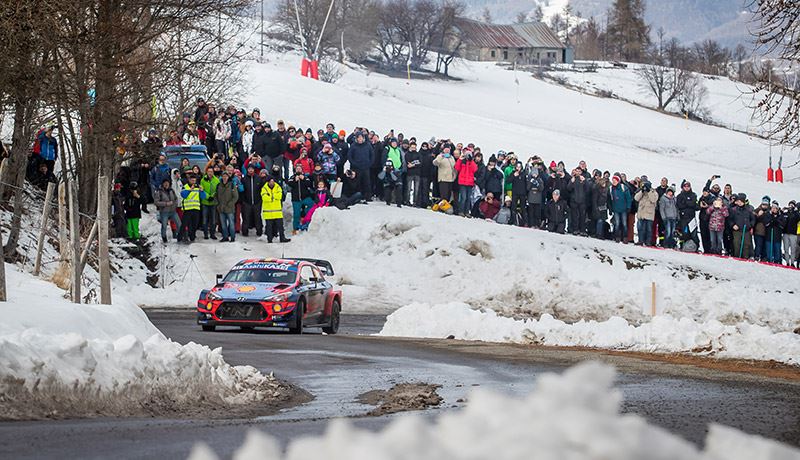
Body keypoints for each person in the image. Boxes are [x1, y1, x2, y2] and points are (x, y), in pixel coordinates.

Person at [261, 176, 290, 243]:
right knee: (269, 227)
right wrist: (274, 196)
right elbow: (264, 198)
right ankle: (269, 239)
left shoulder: (278, 187)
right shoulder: (264, 188)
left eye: (273, 181)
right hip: (268, 212)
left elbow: (279, 196)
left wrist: (270, 196)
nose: (272, 183)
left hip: (277, 211)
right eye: (270, 181)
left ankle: (282, 238)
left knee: (280, 227)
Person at [347, 132, 374, 199]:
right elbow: (349, 156)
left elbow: (372, 155)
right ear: (356, 138)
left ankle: (367, 197)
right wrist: (354, 164)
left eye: (361, 137)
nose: (360, 139)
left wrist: (369, 164)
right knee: (357, 183)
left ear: (363, 138)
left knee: (367, 182)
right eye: (358, 137)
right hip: (356, 168)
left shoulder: (368, 145)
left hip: (366, 167)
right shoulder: (353, 145)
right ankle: (357, 196)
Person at [179, 175, 205, 243]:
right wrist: (190, 190)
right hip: (188, 209)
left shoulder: (198, 187)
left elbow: (203, 197)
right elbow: (183, 195)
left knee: (195, 224)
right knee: (184, 224)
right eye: (192, 180)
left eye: (194, 180)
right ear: (189, 180)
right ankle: (179, 237)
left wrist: (202, 191)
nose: (193, 182)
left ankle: (192, 237)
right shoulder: (185, 186)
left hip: (196, 208)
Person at [154, 178, 181, 243]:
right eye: (165, 183)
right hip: (164, 212)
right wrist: (166, 204)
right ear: (162, 184)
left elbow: (176, 199)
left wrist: (174, 205)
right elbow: (156, 202)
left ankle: (180, 236)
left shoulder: (171, 190)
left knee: (179, 224)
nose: (166, 184)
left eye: (167, 183)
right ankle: (164, 237)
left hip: (173, 211)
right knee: (164, 226)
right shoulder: (159, 192)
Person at [289, 163, 314, 233]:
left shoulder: (305, 177)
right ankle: (295, 228)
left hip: (305, 197)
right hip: (296, 199)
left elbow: (309, 184)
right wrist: (295, 181)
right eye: (297, 169)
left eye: (299, 169)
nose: (298, 170)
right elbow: (289, 184)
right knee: (296, 214)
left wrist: (303, 179)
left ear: (302, 170)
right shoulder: (292, 177)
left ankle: (304, 214)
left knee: (312, 205)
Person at [729, 193, 755, 259]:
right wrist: (733, 225)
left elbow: (753, 219)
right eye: (739, 201)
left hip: (746, 230)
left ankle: (745, 257)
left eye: (741, 201)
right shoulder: (734, 210)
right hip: (737, 230)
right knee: (737, 244)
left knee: (746, 245)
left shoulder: (748, 210)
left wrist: (750, 225)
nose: (740, 203)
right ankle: (737, 256)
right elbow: (730, 219)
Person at [216, 171, 239, 242]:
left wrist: (230, 204)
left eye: (226, 176)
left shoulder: (232, 185)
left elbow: (235, 197)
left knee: (231, 223)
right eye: (223, 176)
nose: (225, 178)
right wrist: (218, 204)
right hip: (221, 207)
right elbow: (216, 195)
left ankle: (232, 237)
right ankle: (225, 236)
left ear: (228, 177)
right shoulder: (218, 185)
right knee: (223, 224)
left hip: (229, 208)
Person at [454, 149, 478, 216]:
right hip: (462, 182)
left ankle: (466, 212)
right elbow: (456, 168)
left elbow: (475, 169)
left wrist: (471, 161)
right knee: (463, 197)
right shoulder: (462, 161)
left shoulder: (472, 162)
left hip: (470, 183)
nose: (467, 157)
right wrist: (460, 159)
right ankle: (461, 211)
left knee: (468, 198)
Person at [634, 181, 658, 246]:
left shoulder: (654, 192)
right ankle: (640, 241)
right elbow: (636, 198)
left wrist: (649, 191)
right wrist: (641, 191)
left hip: (649, 214)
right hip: (641, 213)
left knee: (649, 229)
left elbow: (653, 200)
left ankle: (648, 242)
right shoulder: (642, 192)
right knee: (641, 229)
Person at [609, 175, 632, 243]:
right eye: (613, 181)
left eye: (615, 181)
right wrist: (610, 208)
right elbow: (610, 199)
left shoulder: (623, 187)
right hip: (615, 209)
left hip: (624, 209)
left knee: (624, 224)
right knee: (617, 223)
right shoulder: (611, 188)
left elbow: (628, 198)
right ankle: (617, 237)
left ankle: (625, 237)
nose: (614, 182)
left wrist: (628, 207)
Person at [567, 168, 589, 235]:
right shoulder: (573, 179)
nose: (578, 172)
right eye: (577, 171)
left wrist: (585, 181)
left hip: (582, 201)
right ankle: (575, 229)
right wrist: (571, 182)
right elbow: (568, 188)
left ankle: (582, 230)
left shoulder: (583, 179)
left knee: (582, 216)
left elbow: (587, 190)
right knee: (575, 216)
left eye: (579, 171)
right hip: (574, 201)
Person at [200, 167, 220, 240]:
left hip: (214, 202)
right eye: (209, 171)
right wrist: (208, 196)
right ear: (207, 172)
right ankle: (205, 234)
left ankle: (212, 234)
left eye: (211, 171)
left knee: (213, 219)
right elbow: (202, 190)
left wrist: (212, 196)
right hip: (205, 202)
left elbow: (217, 190)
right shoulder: (203, 180)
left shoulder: (217, 180)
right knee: (205, 219)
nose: (210, 173)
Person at [753, 196, 772, 261]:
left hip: (767, 232)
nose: (765, 206)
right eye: (763, 204)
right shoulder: (757, 210)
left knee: (765, 246)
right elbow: (754, 219)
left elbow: (768, 220)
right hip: (758, 231)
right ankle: (757, 256)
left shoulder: (770, 211)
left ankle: (764, 257)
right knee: (758, 245)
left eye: (766, 204)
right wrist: (758, 215)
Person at [782, 201, 800, 267]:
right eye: (790, 204)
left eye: (792, 205)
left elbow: (798, 218)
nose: (791, 206)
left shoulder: (796, 214)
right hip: (785, 233)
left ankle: (792, 263)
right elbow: (782, 219)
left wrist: (796, 211)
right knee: (786, 248)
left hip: (793, 234)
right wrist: (782, 211)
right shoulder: (786, 213)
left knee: (793, 249)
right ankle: (787, 262)